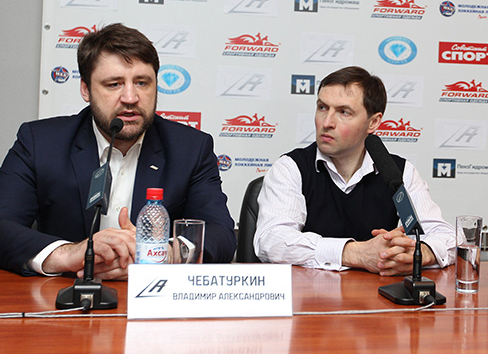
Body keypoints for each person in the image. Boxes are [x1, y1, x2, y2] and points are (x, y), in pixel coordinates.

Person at [0, 23, 237, 279]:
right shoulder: (40, 143)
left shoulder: (190, 149)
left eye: (142, 83)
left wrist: (162, 254)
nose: (130, 97)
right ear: (85, 89)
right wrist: (68, 254)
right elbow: (3, 224)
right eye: (114, 84)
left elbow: (220, 233)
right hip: (65, 293)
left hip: (153, 293)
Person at [254, 66, 455, 275]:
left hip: (376, 293)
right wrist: (357, 253)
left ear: (373, 122)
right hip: (309, 292)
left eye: (344, 112)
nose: (326, 122)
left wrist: (417, 254)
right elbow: (271, 241)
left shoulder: (399, 172)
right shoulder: (291, 167)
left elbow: (446, 237)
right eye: (322, 107)